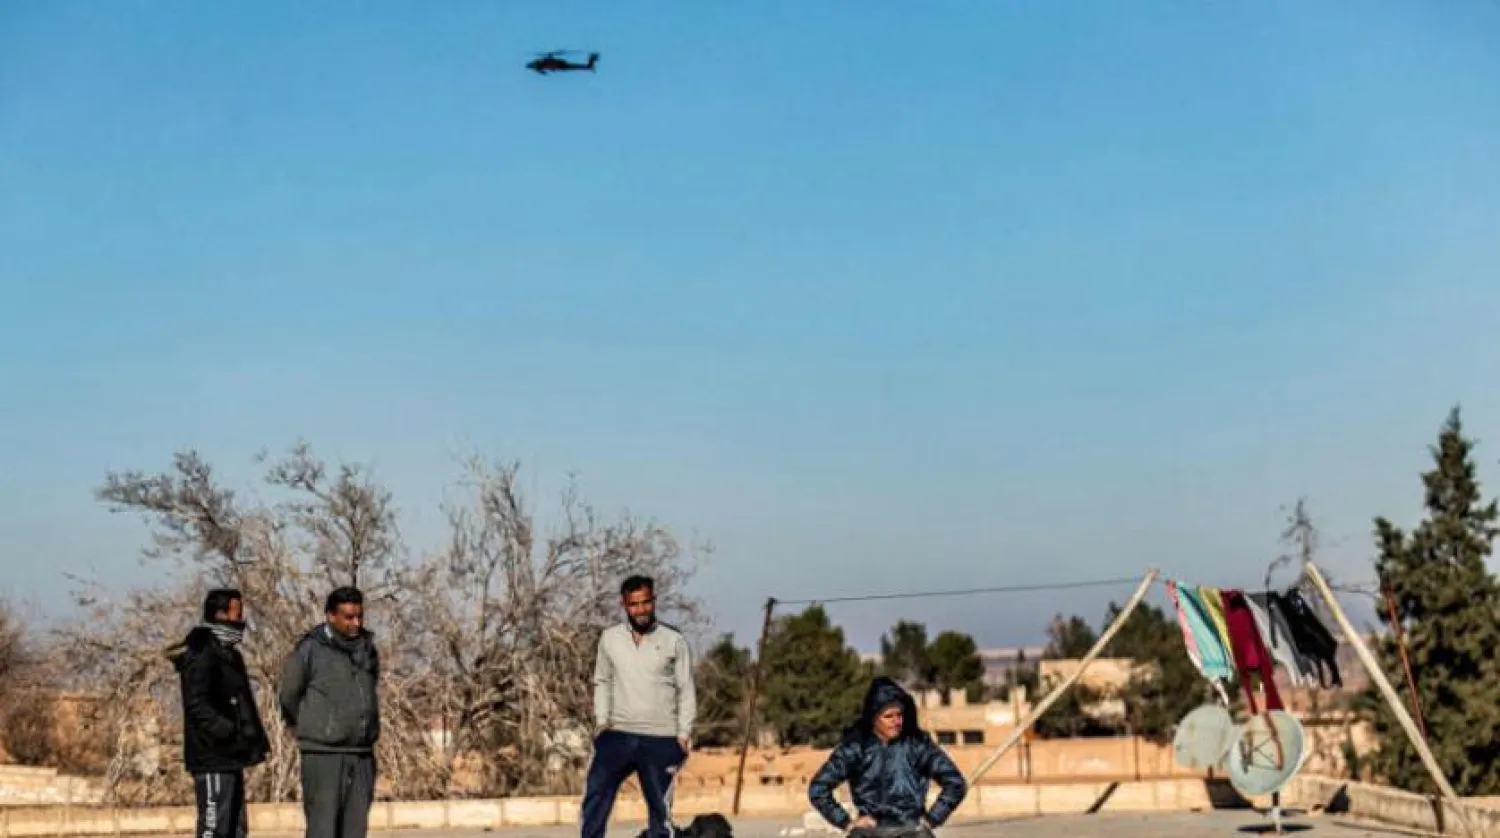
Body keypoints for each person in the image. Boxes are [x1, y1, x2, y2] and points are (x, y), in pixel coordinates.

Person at [581, 574, 697, 838]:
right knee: (596, 794)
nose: (641, 610)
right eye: (634, 604)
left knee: (659, 810)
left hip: (661, 737)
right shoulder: (610, 639)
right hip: (618, 733)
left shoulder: (673, 640)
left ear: (653, 601)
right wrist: (602, 722)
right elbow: (602, 681)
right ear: (624, 605)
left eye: (646, 603)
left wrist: (684, 733)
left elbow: (686, 688)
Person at [278, 587, 380, 838]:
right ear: (330, 616)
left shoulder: (367, 650)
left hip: (361, 755)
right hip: (324, 755)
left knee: (355, 831)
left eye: (359, 616)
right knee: (323, 829)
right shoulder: (309, 650)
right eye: (348, 617)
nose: (356, 623)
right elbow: (289, 694)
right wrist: (303, 725)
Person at [169, 588, 270, 838]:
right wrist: (225, 729)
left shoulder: (230, 655)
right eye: (237, 615)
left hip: (231, 756)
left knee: (236, 828)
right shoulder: (201, 652)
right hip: (212, 755)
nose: (241, 622)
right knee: (214, 828)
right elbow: (196, 704)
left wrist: (248, 740)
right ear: (220, 614)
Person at [807, 677, 967, 836]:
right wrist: (846, 822)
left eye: (899, 715)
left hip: (911, 831)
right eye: (889, 716)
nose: (896, 721)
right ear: (874, 718)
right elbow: (818, 789)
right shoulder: (855, 747)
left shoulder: (917, 745)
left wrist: (932, 819)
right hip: (870, 832)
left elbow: (955, 783)